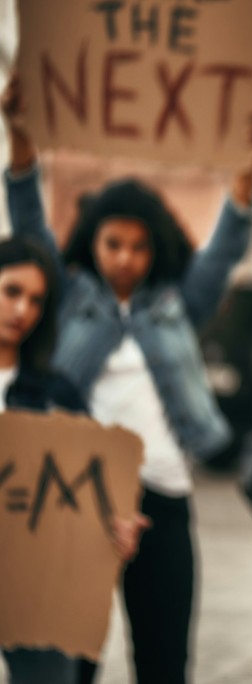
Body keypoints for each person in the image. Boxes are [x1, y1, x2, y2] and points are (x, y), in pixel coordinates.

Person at [2, 73, 252, 684]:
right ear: (91, 242)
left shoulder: (180, 303)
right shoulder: (67, 298)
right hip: (78, 499)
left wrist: (251, 162)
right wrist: (19, 135)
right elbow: (28, 220)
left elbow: (227, 245)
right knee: (73, 660)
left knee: (165, 662)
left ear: (157, 250)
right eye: (112, 242)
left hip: (165, 501)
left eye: (139, 246)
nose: (125, 257)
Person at [0, 237, 142, 684]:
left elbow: (87, 488)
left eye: (37, 300)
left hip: (37, 593)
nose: (23, 310)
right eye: (11, 292)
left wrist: (114, 527)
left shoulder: (57, 393)